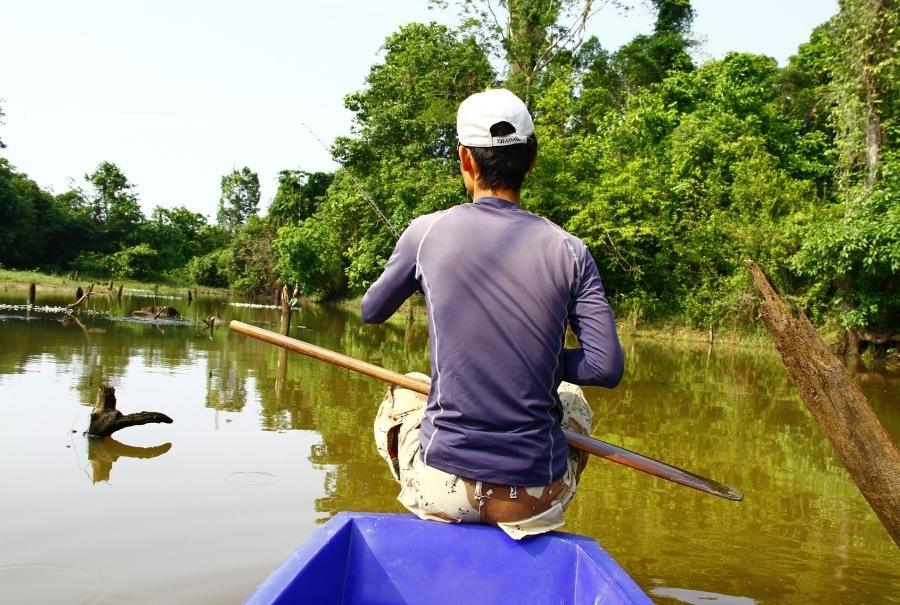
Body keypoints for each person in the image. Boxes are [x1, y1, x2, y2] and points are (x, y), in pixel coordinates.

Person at [361, 88, 624, 539]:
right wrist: (538, 360)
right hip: (534, 498)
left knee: (403, 396)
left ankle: (436, 508)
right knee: (574, 399)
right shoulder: (571, 250)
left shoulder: (425, 231)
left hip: (444, 487)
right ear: (532, 161)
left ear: (465, 159)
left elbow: (371, 311)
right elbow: (605, 367)